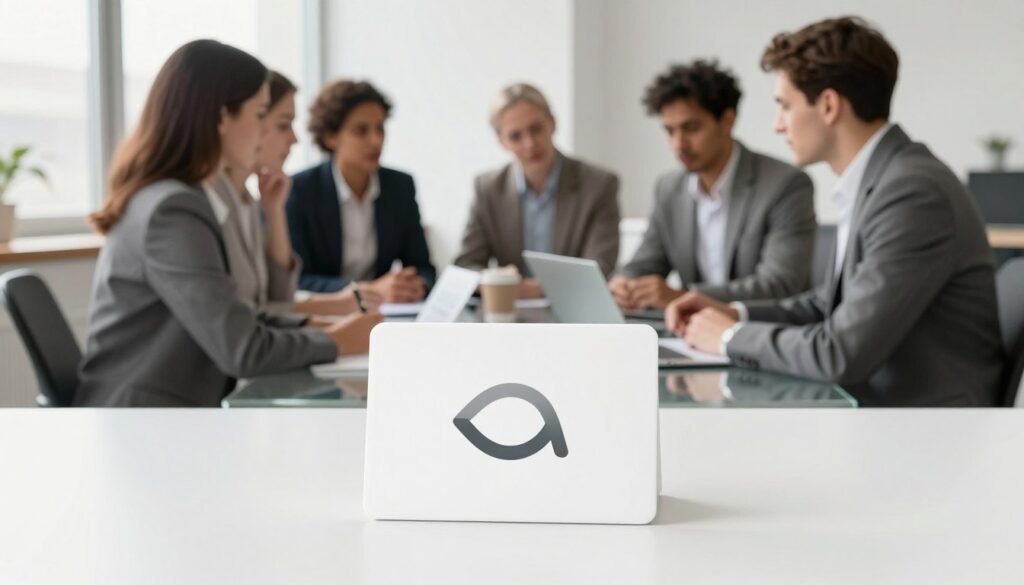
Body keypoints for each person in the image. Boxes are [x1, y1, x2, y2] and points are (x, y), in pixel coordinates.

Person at [666, 17, 1003, 406]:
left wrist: (726, 337)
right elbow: (829, 305)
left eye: (785, 106)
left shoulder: (912, 193)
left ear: (828, 105)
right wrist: (733, 313)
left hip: (926, 427)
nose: (778, 125)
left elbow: (839, 352)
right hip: (880, 409)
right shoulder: (883, 180)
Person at [76, 40, 381, 407]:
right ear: (222, 117)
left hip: (176, 411)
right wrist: (340, 340)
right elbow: (243, 348)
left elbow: (243, 317)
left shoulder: (187, 198)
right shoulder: (172, 212)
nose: (266, 131)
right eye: (260, 113)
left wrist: (333, 330)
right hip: (143, 420)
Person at [612, 60, 816, 310]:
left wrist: (682, 297)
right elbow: (645, 263)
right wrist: (625, 284)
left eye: (691, 128)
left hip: (760, 334)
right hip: (688, 335)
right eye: (669, 131)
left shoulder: (785, 185)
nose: (679, 145)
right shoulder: (669, 188)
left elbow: (780, 284)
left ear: (727, 120)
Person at [211, 71, 382, 314]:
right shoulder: (207, 201)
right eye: (283, 125)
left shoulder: (247, 199)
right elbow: (249, 319)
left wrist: (274, 211)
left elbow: (278, 299)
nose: (294, 139)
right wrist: (337, 333)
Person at [454, 83, 621, 299]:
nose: (530, 144)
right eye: (515, 136)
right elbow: (466, 266)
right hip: (509, 317)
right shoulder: (488, 189)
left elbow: (600, 267)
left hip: (574, 315)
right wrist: (497, 280)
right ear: (501, 141)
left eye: (536, 129)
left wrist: (536, 289)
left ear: (552, 123)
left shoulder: (598, 184)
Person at [286, 80, 435, 300]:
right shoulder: (299, 190)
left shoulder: (400, 186)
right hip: (326, 314)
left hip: (383, 316)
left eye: (380, 128)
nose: (376, 141)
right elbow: (298, 280)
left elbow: (423, 267)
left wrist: (415, 285)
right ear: (330, 136)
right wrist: (369, 291)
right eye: (361, 131)